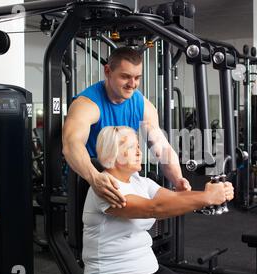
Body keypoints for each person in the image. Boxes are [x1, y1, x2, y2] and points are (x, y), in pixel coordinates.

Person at [83, 126, 234, 274]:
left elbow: (172, 199)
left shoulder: (141, 182)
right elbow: (153, 209)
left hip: (148, 267)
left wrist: (215, 194)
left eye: (139, 146)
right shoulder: (104, 187)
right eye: (132, 148)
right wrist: (207, 198)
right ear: (112, 154)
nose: (140, 152)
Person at [62, 47, 191, 209]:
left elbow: (161, 147)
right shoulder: (87, 104)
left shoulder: (143, 105)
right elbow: (71, 144)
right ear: (108, 71)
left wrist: (178, 179)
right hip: (86, 177)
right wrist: (94, 177)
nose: (132, 84)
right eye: (125, 77)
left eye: (137, 78)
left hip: (121, 174)